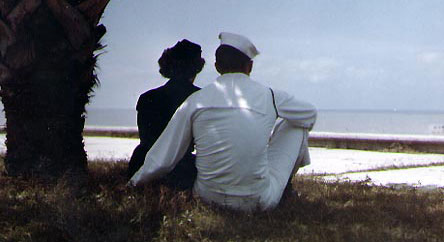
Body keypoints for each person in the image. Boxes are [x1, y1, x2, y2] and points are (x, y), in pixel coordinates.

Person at [129, 32, 317, 211]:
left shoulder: (197, 99)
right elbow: (309, 115)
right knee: (297, 125)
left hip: (207, 197)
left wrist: (133, 182)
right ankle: (286, 186)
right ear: (249, 67)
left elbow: (164, 155)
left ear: (217, 66)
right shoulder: (270, 96)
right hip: (258, 199)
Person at [127, 39, 205, 189]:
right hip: (180, 169)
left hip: (140, 164)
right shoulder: (199, 97)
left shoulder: (146, 97)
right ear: (197, 68)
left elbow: (147, 139)